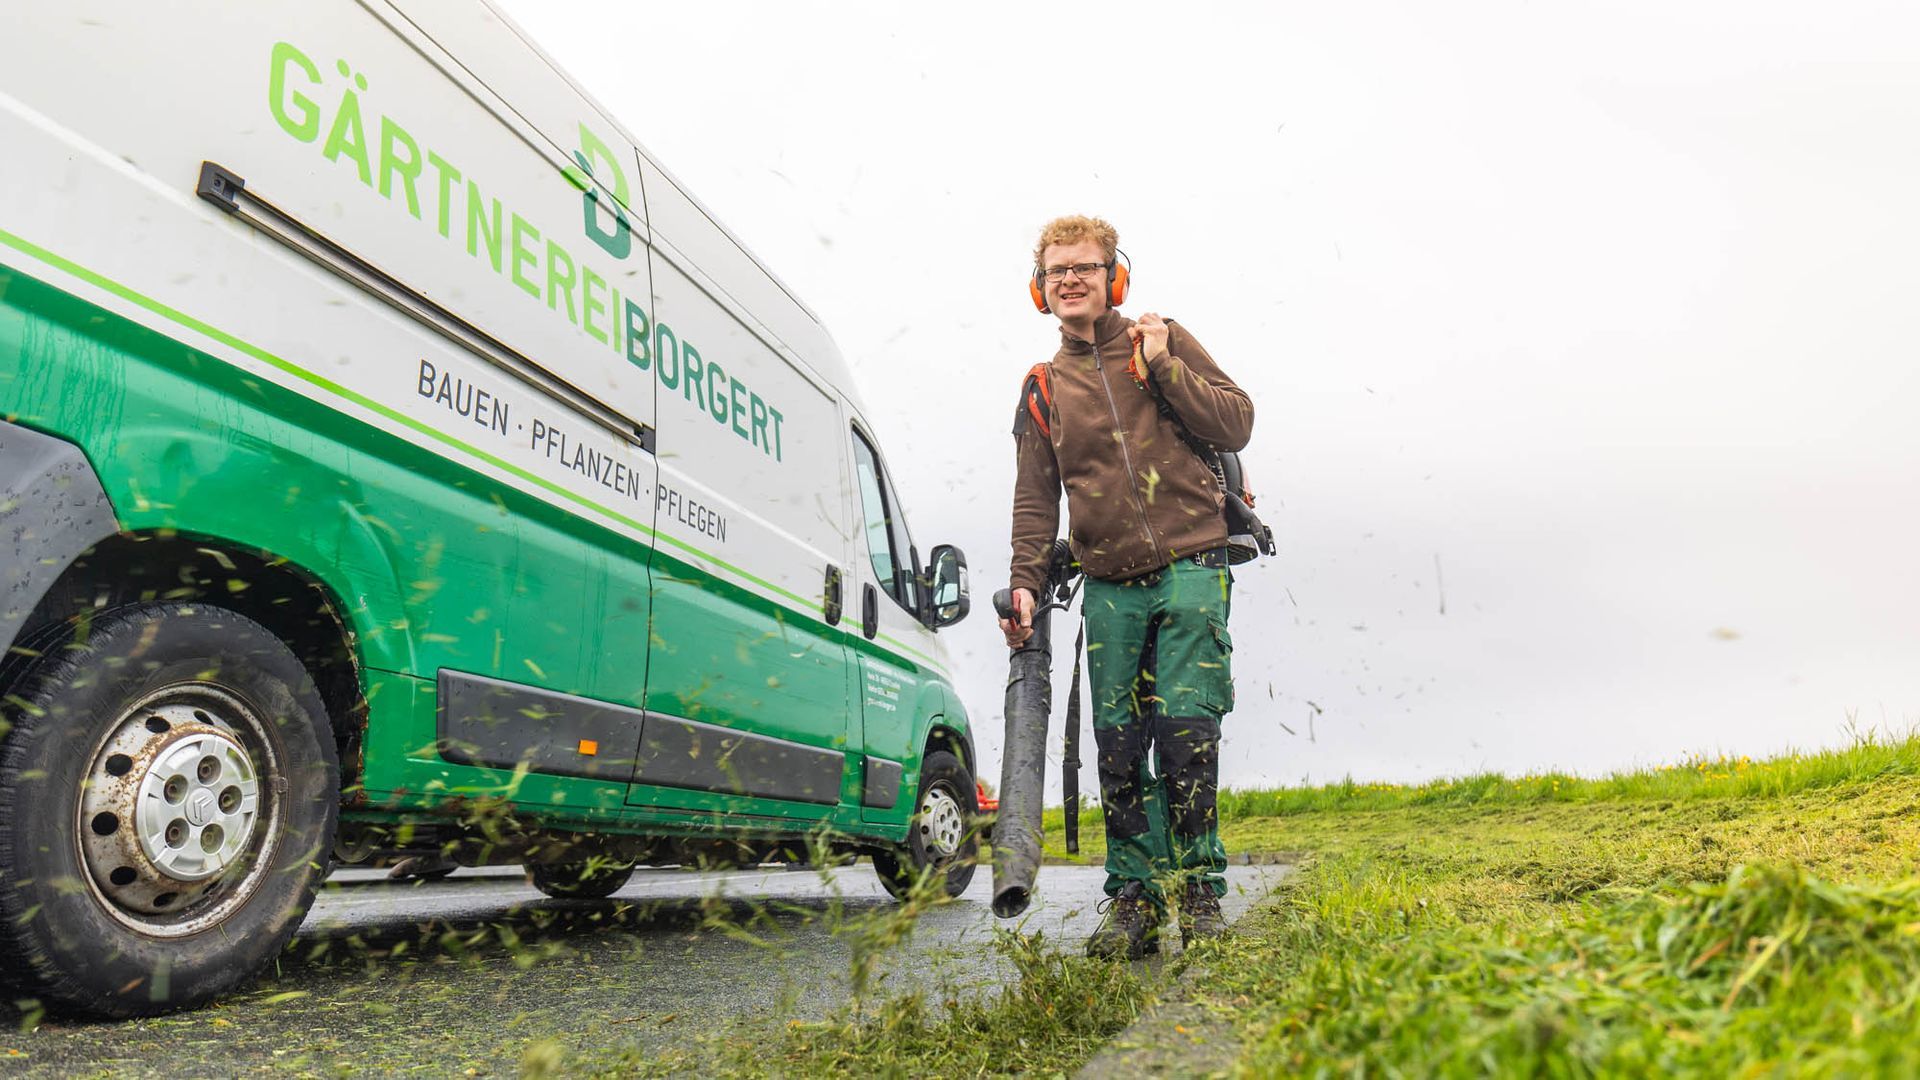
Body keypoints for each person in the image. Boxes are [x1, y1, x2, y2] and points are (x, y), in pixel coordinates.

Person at [1001, 215, 1254, 959]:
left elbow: (1236, 423)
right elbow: (1035, 499)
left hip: (1193, 563)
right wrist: (1024, 582)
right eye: (1057, 271)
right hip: (1109, 582)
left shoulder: (1159, 339)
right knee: (1118, 746)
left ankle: (1200, 893)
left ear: (1115, 278)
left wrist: (1166, 365)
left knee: (1185, 732)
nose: (1071, 280)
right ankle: (1136, 899)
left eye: (1085, 266)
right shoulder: (1044, 387)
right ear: (1040, 290)